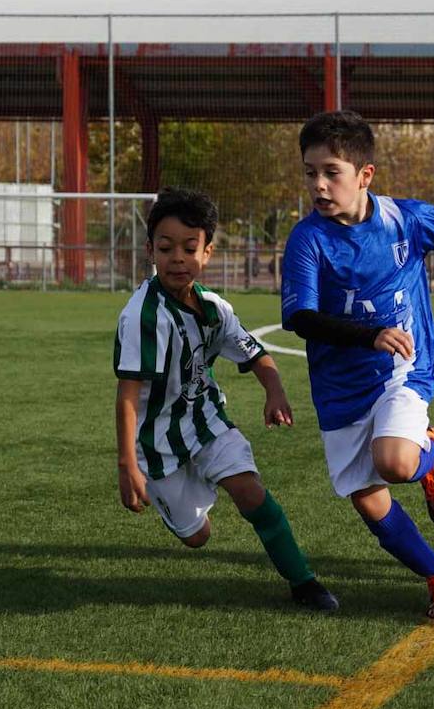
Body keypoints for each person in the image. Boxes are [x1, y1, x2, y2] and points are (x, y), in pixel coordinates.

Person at [281, 110, 434, 619]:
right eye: (310, 172)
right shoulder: (307, 239)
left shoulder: (406, 218)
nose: (318, 183)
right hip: (338, 385)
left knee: (395, 461)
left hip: (404, 368)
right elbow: (302, 319)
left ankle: (430, 452)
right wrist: (369, 334)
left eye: (331, 171)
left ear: (365, 175)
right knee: (368, 499)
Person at [115, 188, 338, 612]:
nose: (177, 258)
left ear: (208, 252)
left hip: (206, 421)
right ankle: (182, 507)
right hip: (156, 443)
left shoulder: (216, 308)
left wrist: (275, 391)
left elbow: (256, 352)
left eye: (189, 247)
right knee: (197, 537)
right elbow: (127, 397)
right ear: (150, 250)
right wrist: (127, 464)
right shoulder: (142, 317)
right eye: (166, 248)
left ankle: (304, 582)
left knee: (251, 493)